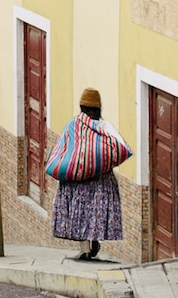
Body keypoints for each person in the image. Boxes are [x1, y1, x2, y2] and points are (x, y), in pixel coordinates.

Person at [50, 87, 126, 261]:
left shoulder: (73, 125)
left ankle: (85, 248)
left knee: (80, 211)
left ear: (81, 107)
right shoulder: (105, 127)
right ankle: (93, 242)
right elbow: (120, 148)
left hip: (77, 180)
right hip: (101, 179)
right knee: (95, 211)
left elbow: (63, 148)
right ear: (99, 108)